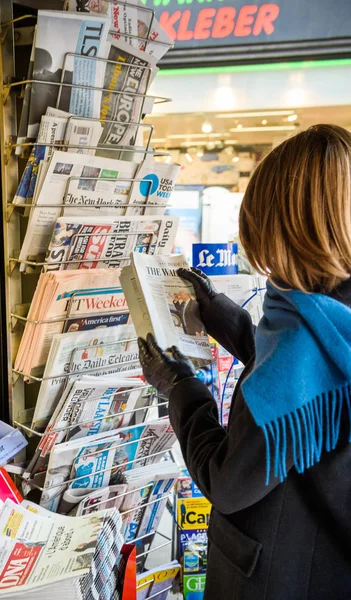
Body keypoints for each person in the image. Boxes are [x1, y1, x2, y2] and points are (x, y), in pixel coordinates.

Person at [138, 124, 351, 600]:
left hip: (277, 576)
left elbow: (227, 480)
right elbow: (299, 383)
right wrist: (221, 316)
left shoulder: (300, 344)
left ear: (284, 229)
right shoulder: (331, 318)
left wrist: (180, 388)